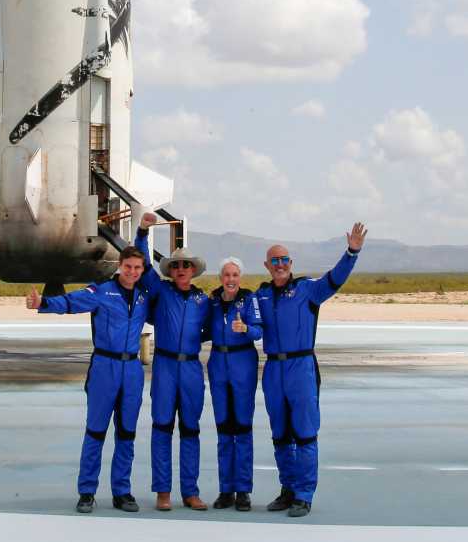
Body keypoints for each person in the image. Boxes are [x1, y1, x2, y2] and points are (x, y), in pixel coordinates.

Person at [253, 221, 368, 518]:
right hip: (273, 370)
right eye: (274, 261)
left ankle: (304, 494)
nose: (279, 265)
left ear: (291, 263)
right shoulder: (261, 295)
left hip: (301, 368)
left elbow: (335, 279)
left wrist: (352, 253)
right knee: (280, 434)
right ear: (267, 265)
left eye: (284, 260)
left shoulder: (308, 290)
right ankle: (287, 489)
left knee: (304, 433)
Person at [27, 245, 153, 514]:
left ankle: (122, 492)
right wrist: (44, 303)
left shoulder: (144, 296)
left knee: (126, 433)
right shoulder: (102, 291)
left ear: (143, 270)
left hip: (131, 369)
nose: (132, 272)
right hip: (104, 367)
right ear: (120, 265)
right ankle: (87, 492)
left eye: (137, 268)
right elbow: (73, 302)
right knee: (96, 431)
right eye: (128, 266)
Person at [135, 214, 210, 511]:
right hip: (165, 366)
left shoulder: (204, 301)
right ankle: (163, 492)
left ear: (193, 270)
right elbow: (141, 258)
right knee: (162, 427)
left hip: (191, 368)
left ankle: (190, 492)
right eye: (176, 265)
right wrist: (142, 230)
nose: (180, 269)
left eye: (185, 265)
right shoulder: (160, 290)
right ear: (171, 270)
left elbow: (216, 327)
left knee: (191, 429)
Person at [204, 256, 263, 511]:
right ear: (220, 278)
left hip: (243, 364)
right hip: (218, 363)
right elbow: (203, 328)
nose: (230, 279)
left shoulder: (250, 300)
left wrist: (246, 329)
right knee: (223, 428)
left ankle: (243, 491)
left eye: (235, 275)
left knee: (242, 427)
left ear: (240, 277)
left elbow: (260, 331)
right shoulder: (212, 302)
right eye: (226, 275)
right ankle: (225, 489)